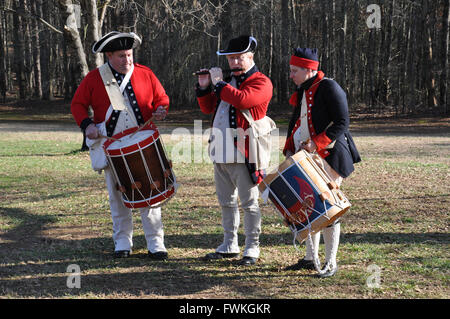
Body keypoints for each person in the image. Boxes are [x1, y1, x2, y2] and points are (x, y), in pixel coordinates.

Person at [71, 31, 170, 259]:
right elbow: (77, 104)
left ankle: (156, 244)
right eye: (121, 56)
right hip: (112, 146)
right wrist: (87, 124)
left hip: (143, 143)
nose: (127, 60)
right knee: (118, 197)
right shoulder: (96, 78)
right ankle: (122, 242)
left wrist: (162, 109)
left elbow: (162, 98)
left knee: (151, 194)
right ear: (109, 56)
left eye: (129, 54)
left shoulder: (145, 73)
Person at [195, 35, 273, 266]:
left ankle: (252, 247)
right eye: (231, 58)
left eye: (239, 57)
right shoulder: (227, 83)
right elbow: (208, 107)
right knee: (226, 202)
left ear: (251, 56)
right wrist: (204, 87)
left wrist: (218, 84)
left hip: (246, 152)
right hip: (220, 150)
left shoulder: (261, 81)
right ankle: (229, 244)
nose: (234, 62)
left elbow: (243, 100)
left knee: (250, 204)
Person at [283, 47, 361, 277]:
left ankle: (331, 261)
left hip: (330, 156)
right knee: (309, 208)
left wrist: (316, 143)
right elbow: (298, 122)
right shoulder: (304, 89)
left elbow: (342, 122)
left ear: (309, 69)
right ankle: (310, 258)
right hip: (306, 157)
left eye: (294, 70)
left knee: (328, 209)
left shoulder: (329, 87)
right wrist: (290, 146)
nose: (291, 75)